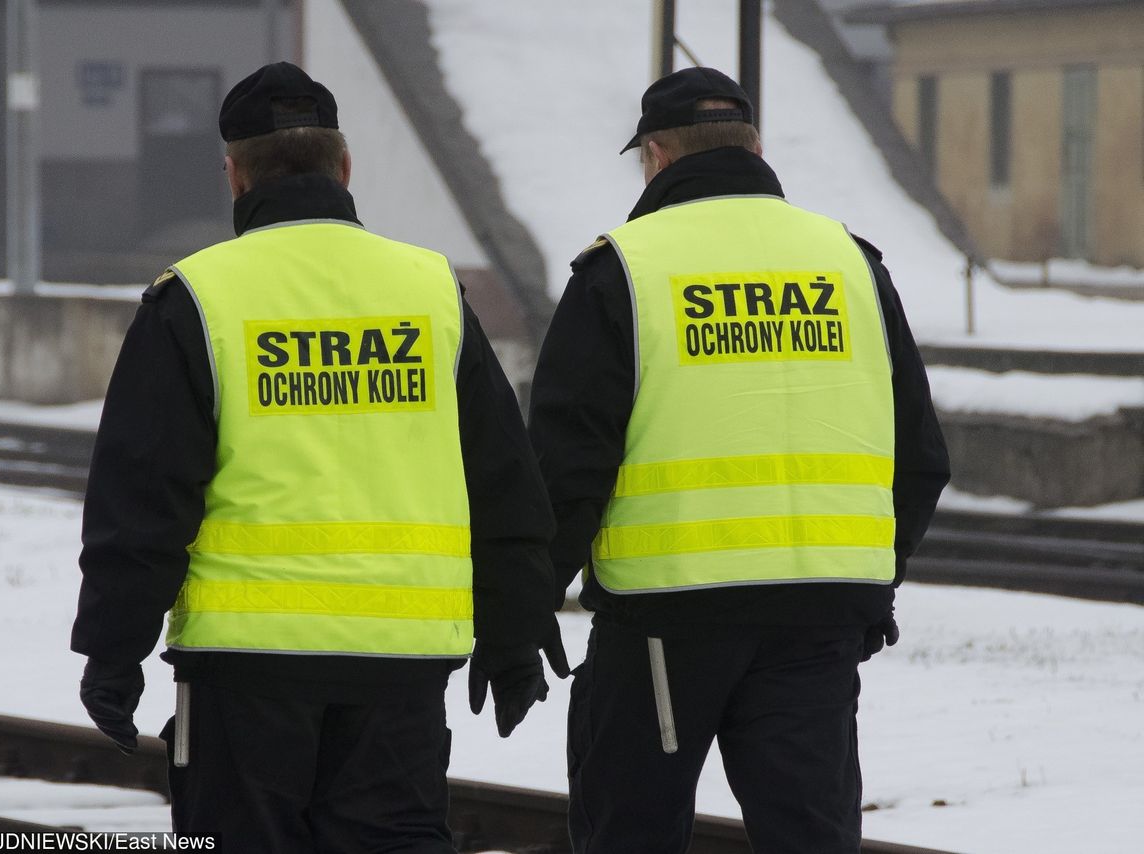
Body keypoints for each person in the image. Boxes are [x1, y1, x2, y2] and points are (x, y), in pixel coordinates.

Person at [72, 62, 567, 852]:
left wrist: (112, 645)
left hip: (245, 671)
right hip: (399, 668)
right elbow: (503, 478)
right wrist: (513, 630)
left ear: (233, 175)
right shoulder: (432, 291)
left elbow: (146, 492)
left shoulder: (197, 298)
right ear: (344, 167)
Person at [528, 67, 950, 854]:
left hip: (665, 622)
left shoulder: (623, 270)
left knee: (630, 836)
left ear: (655, 156)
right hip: (819, 620)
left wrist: (525, 603)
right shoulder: (851, 263)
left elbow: (566, 466)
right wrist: (869, 579)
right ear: (755, 147)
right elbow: (920, 456)